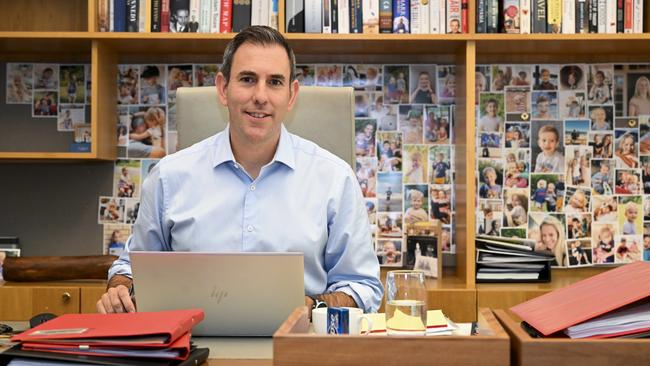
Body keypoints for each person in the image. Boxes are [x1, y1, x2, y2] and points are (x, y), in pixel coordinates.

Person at [99, 26, 383, 314]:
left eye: (274, 82)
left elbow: (362, 286)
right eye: (248, 79)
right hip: (192, 347)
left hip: (297, 346)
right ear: (223, 88)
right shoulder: (168, 177)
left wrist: (313, 305)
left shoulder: (334, 178)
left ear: (291, 94)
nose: (260, 96)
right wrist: (120, 289)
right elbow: (130, 268)